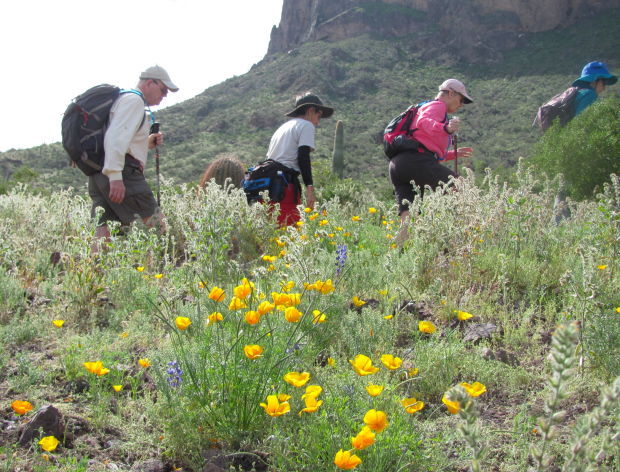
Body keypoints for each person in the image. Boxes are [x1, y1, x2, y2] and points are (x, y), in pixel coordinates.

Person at [88, 65, 178, 252]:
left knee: (104, 230)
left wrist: (147, 143)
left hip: (98, 173)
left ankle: (93, 275)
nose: (164, 95)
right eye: (163, 90)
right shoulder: (134, 101)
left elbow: (118, 139)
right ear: (149, 83)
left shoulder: (122, 99)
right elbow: (115, 138)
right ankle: (169, 268)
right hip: (123, 174)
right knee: (158, 227)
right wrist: (115, 177)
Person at [388, 79, 474, 243]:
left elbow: (428, 149)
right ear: (450, 93)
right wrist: (446, 128)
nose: (461, 104)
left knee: (409, 219)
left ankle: (395, 254)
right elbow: (423, 122)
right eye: (461, 99)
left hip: (399, 165)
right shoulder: (437, 106)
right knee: (461, 186)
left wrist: (451, 154)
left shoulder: (424, 107)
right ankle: (460, 238)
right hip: (415, 161)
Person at [262, 92, 334, 226]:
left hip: (268, 182)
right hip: (284, 184)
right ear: (311, 110)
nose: (318, 122)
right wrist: (310, 188)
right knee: (290, 227)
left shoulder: (283, 128)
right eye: (318, 115)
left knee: (271, 227)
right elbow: (303, 156)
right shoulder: (306, 125)